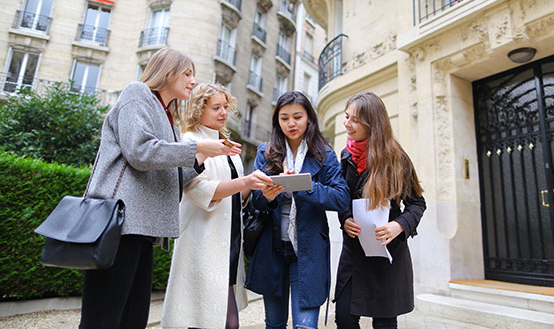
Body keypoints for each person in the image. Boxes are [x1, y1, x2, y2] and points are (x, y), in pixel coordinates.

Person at [79, 48, 241, 329]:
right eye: (187, 73)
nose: (193, 81)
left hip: (142, 229)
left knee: (133, 319)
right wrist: (198, 147)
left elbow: (172, 178)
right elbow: (140, 152)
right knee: (103, 318)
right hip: (119, 224)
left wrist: (203, 156)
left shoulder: (168, 117)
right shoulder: (137, 93)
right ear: (167, 72)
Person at [162, 83, 274, 329]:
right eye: (216, 108)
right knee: (209, 320)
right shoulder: (190, 141)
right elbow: (197, 190)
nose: (223, 112)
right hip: (201, 240)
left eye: (225, 106)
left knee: (223, 321)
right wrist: (245, 181)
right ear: (198, 110)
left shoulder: (228, 147)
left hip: (230, 240)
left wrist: (260, 184)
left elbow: (236, 195)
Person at [245, 91, 350, 329]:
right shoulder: (265, 151)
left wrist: (305, 186)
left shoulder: (325, 154)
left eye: (297, 117)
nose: (291, 123)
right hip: (272, 249)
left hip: (308, 250)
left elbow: (342, 198)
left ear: (309, 119)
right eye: (284, 118)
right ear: (277, 121)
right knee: (274, 324)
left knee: (305, 326)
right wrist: (267, 197)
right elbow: (255, 203)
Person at [334, 92, 426, 329]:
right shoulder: (345, 156)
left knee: (385, 323)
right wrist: (345, 218)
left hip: (387, 254)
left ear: (372, 123)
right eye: (346, 117)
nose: (347, 124)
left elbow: (417, 203)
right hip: (354, 254)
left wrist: (399, 225)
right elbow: (343, 199)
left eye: (355, 120)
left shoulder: (397, 158)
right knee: (344, 318)